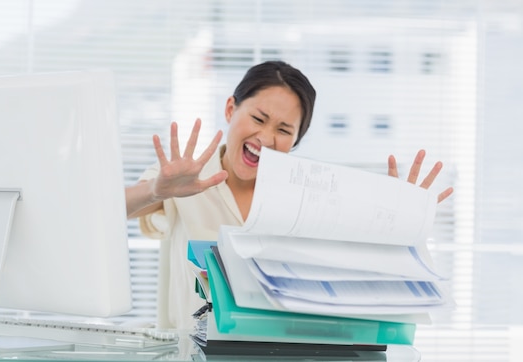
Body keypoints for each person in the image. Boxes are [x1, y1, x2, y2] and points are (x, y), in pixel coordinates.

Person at [125, 60, 454, 330]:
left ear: (295, 141)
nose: (266, 138)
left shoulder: (311, 196)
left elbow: (353, 275)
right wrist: (157, 191)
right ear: (230, 109)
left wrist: (403, 220)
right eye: (258, 118)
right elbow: (113, 210)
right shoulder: (187, 173)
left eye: (283, 131)